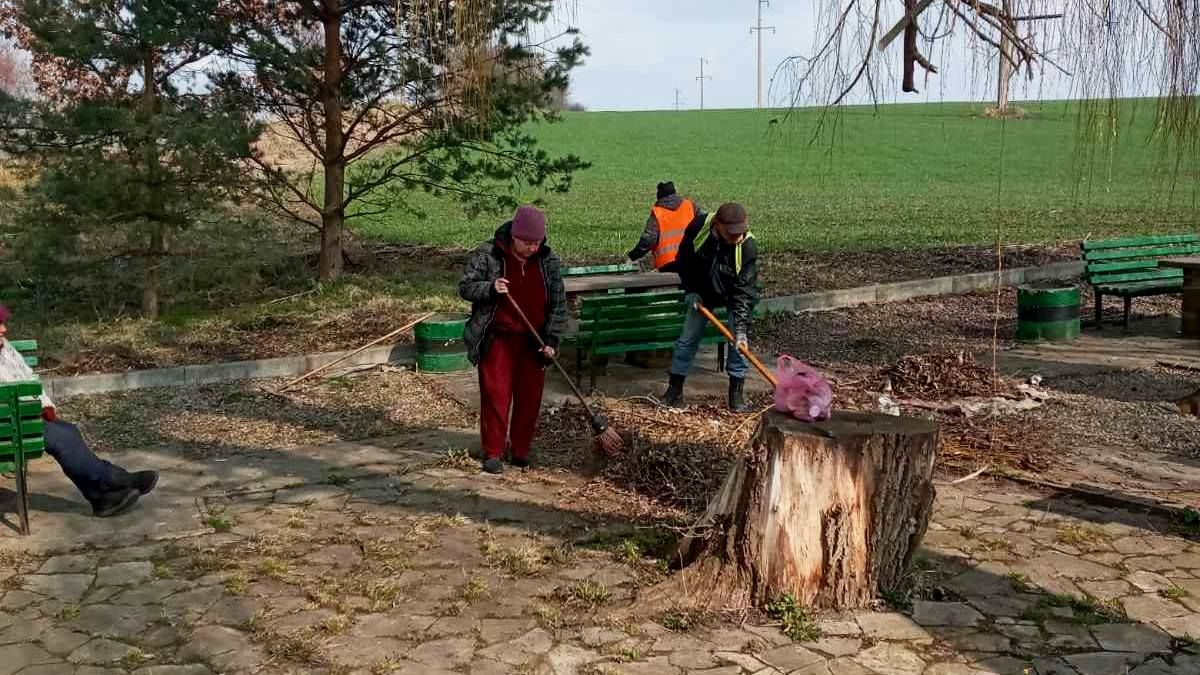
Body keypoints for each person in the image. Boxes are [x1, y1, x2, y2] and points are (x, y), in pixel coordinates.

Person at [0, 305, 158, 517]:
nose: (4, 330)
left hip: (18, 415)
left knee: (68, 431)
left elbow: (28, 376)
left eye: (3, 323)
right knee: (61, 439)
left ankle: (101, 498)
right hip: (7, 423)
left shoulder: (4, 347)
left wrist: (43, 406)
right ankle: (114, 479)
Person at [458, 205, 568, 474]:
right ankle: (493, 452)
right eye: (526, 242)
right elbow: (465, 287)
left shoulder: (547, 261)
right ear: (514, 237)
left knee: (529, 399)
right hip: (497, 338)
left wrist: (552, 339)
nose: (532, 248)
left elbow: (558, 303)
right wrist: (491, 288)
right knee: (496, 397)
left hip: (534, 342)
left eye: (536, 242)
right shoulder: (489, 254)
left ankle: (520, 450)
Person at [660, 202, 759, 412]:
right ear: (717, 225)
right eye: (732, 234)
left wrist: (740, 329)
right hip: (703, 291)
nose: (737, 238)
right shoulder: (700, 227)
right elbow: (684, 260)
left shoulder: (747, 246)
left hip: (734, 296)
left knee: (738, 345)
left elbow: (745, 291)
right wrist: (690, 290)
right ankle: (674, 391)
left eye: (740, 232)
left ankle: (736, 397)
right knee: (686, 340)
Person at [626, 181, 698, 274]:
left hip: (667, 265)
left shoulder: (657, 212)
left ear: (659, 197)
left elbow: (648, 240)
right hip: (691, 261)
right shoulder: (690, 206)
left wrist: (633, 255)